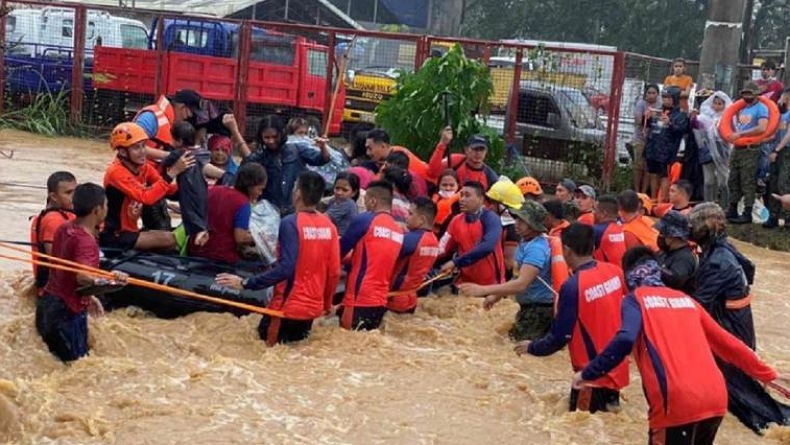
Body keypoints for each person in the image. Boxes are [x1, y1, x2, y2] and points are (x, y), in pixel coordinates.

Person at [573, 247, 785, 445]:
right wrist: (770, 375)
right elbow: (729, 344)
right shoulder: (687, 300)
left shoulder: (634, 300)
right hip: (716, 399)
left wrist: (588, 373)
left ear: (628, 277)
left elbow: (625, 339)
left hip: (676, 402)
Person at [689, 203, 790, 431]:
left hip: (731, 326)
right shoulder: (723, 248)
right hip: (738, 320)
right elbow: (750, 270)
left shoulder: (718, 261)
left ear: (708, 226)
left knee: (741, 392)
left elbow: (697, 303)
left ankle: (779, 423)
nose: (691, 230)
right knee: (738, 383)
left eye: (694, 225)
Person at [216, 172, 341, 346]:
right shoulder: (329, 227)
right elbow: (334, 271)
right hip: (311, 309)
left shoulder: (290, 223)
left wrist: (246, 283)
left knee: (262, 350)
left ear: (297, 193)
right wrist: (326, 305)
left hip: (286, 307)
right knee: (295, 353)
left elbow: (286, 267)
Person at [516, 223, 628, 413]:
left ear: (566, 250)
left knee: (581, 425)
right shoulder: (614, 272)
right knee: (607, 421)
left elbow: (560, 337)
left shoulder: (572, 286)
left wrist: (532, 347)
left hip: (591, 374)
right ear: (593, 247)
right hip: (616, 368)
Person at [36, 183, 128, 362]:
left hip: (47, 305)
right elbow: (83, 277)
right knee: (77, 366)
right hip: (67, 314)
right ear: (97, 210)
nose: (107, 209)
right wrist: (113, 280)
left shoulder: (65, 228)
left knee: (56, 367)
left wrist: (90, 296)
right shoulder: (86, 241)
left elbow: (65, 272)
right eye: (106, 205)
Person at [458, 201, 556, 341]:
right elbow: (517, 276)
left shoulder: (536, 249)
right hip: (530, 308)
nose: (516, 223)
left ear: (533, 225)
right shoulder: (526, 242)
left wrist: (483, 290)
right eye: (517, 218)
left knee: (519, 347)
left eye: (522, 221)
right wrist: (497, 295)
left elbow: (522, 284)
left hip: (539, 311)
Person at [100, 122, 191, 251]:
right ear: (123, 152)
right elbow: (146, 197)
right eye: (136, 148)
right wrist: (172, 172)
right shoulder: (116, 172)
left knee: (168, 235)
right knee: (170, 240)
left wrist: (196, 189)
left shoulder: (144, 168)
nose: (143, 152)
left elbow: (168, 190)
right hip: (115, 235)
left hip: (130, 231)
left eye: (143, 146)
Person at [339, 181, 404, 331]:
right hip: (380, 300)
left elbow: (339, 251)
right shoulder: (398, 230)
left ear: (373, 201)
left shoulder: (365, 220)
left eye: (366, 200)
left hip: (359, 298)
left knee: (347, 339)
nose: (365, 204)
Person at [241, 115, 331, 215]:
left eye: (275, 137)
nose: (271, 141)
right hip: (270, 211)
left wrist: (323, 147)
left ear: (282, 133)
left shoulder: (296, 149)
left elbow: (322, 159)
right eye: (267, 137)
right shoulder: (259, 157)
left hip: (294, 210)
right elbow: (246, 168)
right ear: (261, 137)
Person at [190, 163, 266, 264]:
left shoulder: (213, 190)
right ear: (251, 186)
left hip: (195, 249)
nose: (260, 193)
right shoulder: (243, 203)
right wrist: (261, 237)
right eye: (260, 189)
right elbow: (240, 238)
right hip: (221, 257)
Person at [438, 181, 505, 287]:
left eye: (467, 195)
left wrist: (456, 262)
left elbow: (487, 247)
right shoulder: (456, 220)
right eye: (461, 195)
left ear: (481, 199)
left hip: (491, 286)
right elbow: (442, 247)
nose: (462, 199)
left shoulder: (491, 219)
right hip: (465, 283)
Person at [164, 121, 215, 250]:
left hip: (187, 190)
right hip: (201, 190)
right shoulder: (202, 152)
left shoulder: (179, 154)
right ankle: (202, 233)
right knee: (201, 213)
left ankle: (196, 240)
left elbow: (165, 162)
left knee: (189, 214)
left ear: (180, 141)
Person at [725, 82, 769, 224]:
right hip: (738, 148)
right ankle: (732, 208)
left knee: (747, 180)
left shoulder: (761, 108)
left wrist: (741, 134)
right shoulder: (743, 108)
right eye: (744, 93)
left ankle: (747, 212)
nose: (746, 96)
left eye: (749, 93)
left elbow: (762, 128)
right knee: (733, 178)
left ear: (755, 94)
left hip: (751, 149)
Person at [388, 198, 441, 314]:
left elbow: (381, 254)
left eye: (410, 214)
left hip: (393, 300)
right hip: (411, 298)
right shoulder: (434, 241)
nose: (406, 217)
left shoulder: (411, 239)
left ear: (422, 219)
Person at [30, 171, 77, 292]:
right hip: (53, 291)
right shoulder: (54, 220)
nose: (74, 197)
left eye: (75, 191)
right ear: (54, 197)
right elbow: (57, 262)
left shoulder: (64, 213)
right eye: (68, 193)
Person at [645, 86, 689, 202]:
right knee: (653, 174)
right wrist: (648, 118)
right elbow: (651, 128)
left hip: (668, 151)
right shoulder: (658, 111)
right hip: (653, 148)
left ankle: (662, 201)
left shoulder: (680, 115)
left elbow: (681, 130)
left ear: (675, 99)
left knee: (664, 176)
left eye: (668, 98)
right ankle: (653, 199)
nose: (665, 100)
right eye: (664, 97)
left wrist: (669, 123)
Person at [428, 127, 499, 190]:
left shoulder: (490, 176)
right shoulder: (455, 160)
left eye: (482, 150)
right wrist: (442, 144)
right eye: (475, 149)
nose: (478, 153)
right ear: (466, 150)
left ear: (486, 152)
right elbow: (432, 172)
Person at [695, 91, 732, 207]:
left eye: (720, 104)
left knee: (723, 182)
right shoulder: (704, 118)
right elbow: (699, 135)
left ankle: (725, 206)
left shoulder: (729, 118)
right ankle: (708, 205)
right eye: (715, 103)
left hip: (722, 154)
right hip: (707, 153)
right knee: (708, 181)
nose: (717, 106)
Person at [764, 88, 790, 229]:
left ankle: (787, 216)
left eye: (781, 97)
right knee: (773, 182)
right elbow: (775, 134)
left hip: (786, 152)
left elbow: (788, 136)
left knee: (783, 183)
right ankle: (773, 215)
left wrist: (776, 150)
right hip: (776, 150)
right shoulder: (781, 115)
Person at [364, 128, 430, 182]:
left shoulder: (396, 160)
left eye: (370, 149)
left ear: (383, 146)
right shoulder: (397, 151)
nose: (367, 153)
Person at [655, 210, 697, 296]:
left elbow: (676, 280)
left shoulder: (685, 259)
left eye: (662, 233)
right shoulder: (663, 252)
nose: (660, 236)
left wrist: (656, 269)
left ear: (673, 236)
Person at [632, 84, 660, 193]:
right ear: (645, 94)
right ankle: (636, 190)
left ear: (657, 94)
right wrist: (648, 117)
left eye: (654, 93)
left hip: (653, 140)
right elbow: (638, 120)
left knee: (648, 168)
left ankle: (643, 192)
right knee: (638, 165)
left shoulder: (660, 105)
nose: (651, 95)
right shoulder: (641, 103)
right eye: (649, 93)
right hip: (640, 138)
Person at [592, 194, 626, 268]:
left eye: (595, 210)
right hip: (621, 271)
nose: (593, 212)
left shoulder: (597, 230)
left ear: (604, 213)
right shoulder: (623, 227)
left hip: (606, 272)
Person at [324, 171, 360, 236]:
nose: (339, 192)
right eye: (337, 188)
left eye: (344, 190)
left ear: (354, 193)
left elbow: (323, 218)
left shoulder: (348, 203)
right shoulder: (332, 201)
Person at [432, 169, 460, 234]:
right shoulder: (431, 203)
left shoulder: (463, 203)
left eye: (452, 185)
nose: (448, 188)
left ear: (458, 185)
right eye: (444, 185)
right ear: (439, 185)